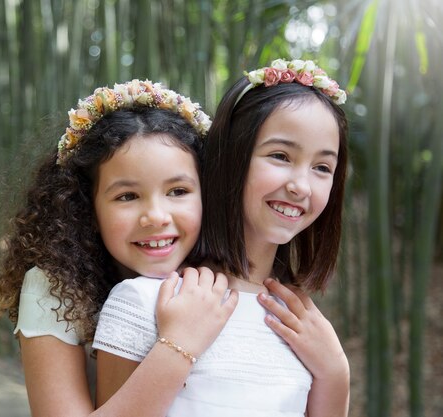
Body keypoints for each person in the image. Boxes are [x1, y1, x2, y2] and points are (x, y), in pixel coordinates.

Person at [93, 59, 350, 417]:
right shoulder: (146, 301)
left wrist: (335, 371)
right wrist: (178, 345)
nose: (300, 185)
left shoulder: (302, 323)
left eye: (322, 167)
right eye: (280, 155)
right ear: (231, 156)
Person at [0, 79, 238, 417]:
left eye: (178, 191)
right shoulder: (55, 286)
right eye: (127, 196)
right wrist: (179, 347)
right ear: (87, 207)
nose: (156, 217)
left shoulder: (223, 272)